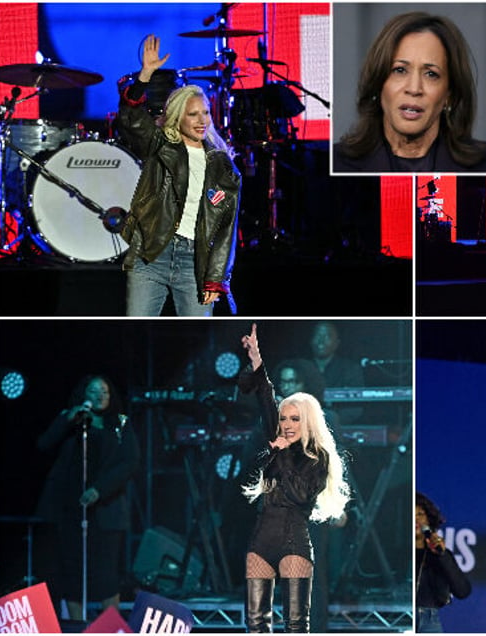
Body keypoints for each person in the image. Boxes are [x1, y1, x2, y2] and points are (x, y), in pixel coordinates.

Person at [117, 34, 241, 316]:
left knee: (198, 341)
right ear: (176, 117)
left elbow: (226, 229)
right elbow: (132, 121)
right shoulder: (160, 146)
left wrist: (217, 278)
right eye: (193, 114)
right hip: (152, 255)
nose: (202, 121)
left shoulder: (223, 168)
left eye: (206, 113)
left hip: (194, 263)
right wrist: (145, 76)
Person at [238, 324, 350, 633]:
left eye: (293, 419)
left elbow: (300, 495)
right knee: (256, 621)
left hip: (296, 538)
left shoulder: (317, 457)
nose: (286, 424)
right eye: (283, 418)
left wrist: (283, 453)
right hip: (263, 534)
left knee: (296, 623)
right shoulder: (276, 439)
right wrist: (257, 362)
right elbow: (264, 397)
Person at [333, 11, 486, 173]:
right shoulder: (332, 165)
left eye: (431, 74)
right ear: (379, 83)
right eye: (400, 70)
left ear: (449, 95)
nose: (414, 89)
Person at [35, 375, 140, 621]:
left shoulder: (120, 424)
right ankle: (76, 625)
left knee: (104, 572)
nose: (100, 396)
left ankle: (110, 626)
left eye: (104, 392)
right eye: (93, 391)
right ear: (84, 395)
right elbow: (44, 444)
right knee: (71, 570)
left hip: (105, 506)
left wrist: (99, 489)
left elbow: (130, 462)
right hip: (70, 506)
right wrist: (68, 418)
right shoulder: (73, 419)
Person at [415, 492, 471, 632]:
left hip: (429, 622)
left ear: (428, 520)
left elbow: (462, 591)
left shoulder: (440, 554)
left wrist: (442, 555)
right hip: (400, 617)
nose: (415, 519)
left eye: (420, 514)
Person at [308, 321, 365, 427]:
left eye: (327, 336)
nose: (321, 341)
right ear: (311, 341)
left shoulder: (350, 369)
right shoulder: (301, 368)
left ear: (337, 343)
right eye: (318, 335)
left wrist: (331, 421)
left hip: (339, 427)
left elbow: (356, 407)